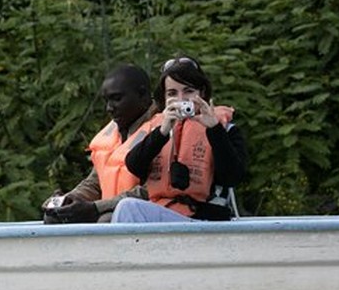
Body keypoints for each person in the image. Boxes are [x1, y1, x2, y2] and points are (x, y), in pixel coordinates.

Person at [111, 56, 247, 223]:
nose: (181, 99)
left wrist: (214, 129)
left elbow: (233, 176)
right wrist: (162, 133)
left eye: (188, 91)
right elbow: (134, 165)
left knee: (128, 208)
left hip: (205, 220)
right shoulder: (158, 127)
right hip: (164, 213)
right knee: (126, 208)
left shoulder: (225, 129)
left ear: (202, 93)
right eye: (172, 93)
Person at [44, 64, 158, 223]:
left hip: (143, 213)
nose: (109, 108)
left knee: (107, 220)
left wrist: (96, 207)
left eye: (117, 99)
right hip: (107, 208)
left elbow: (152, 191)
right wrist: (71, 200)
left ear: (143, 95)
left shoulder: (162, 132)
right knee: (54, 217)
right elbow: (94, 183)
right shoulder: (114, 131)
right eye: (107, 101)